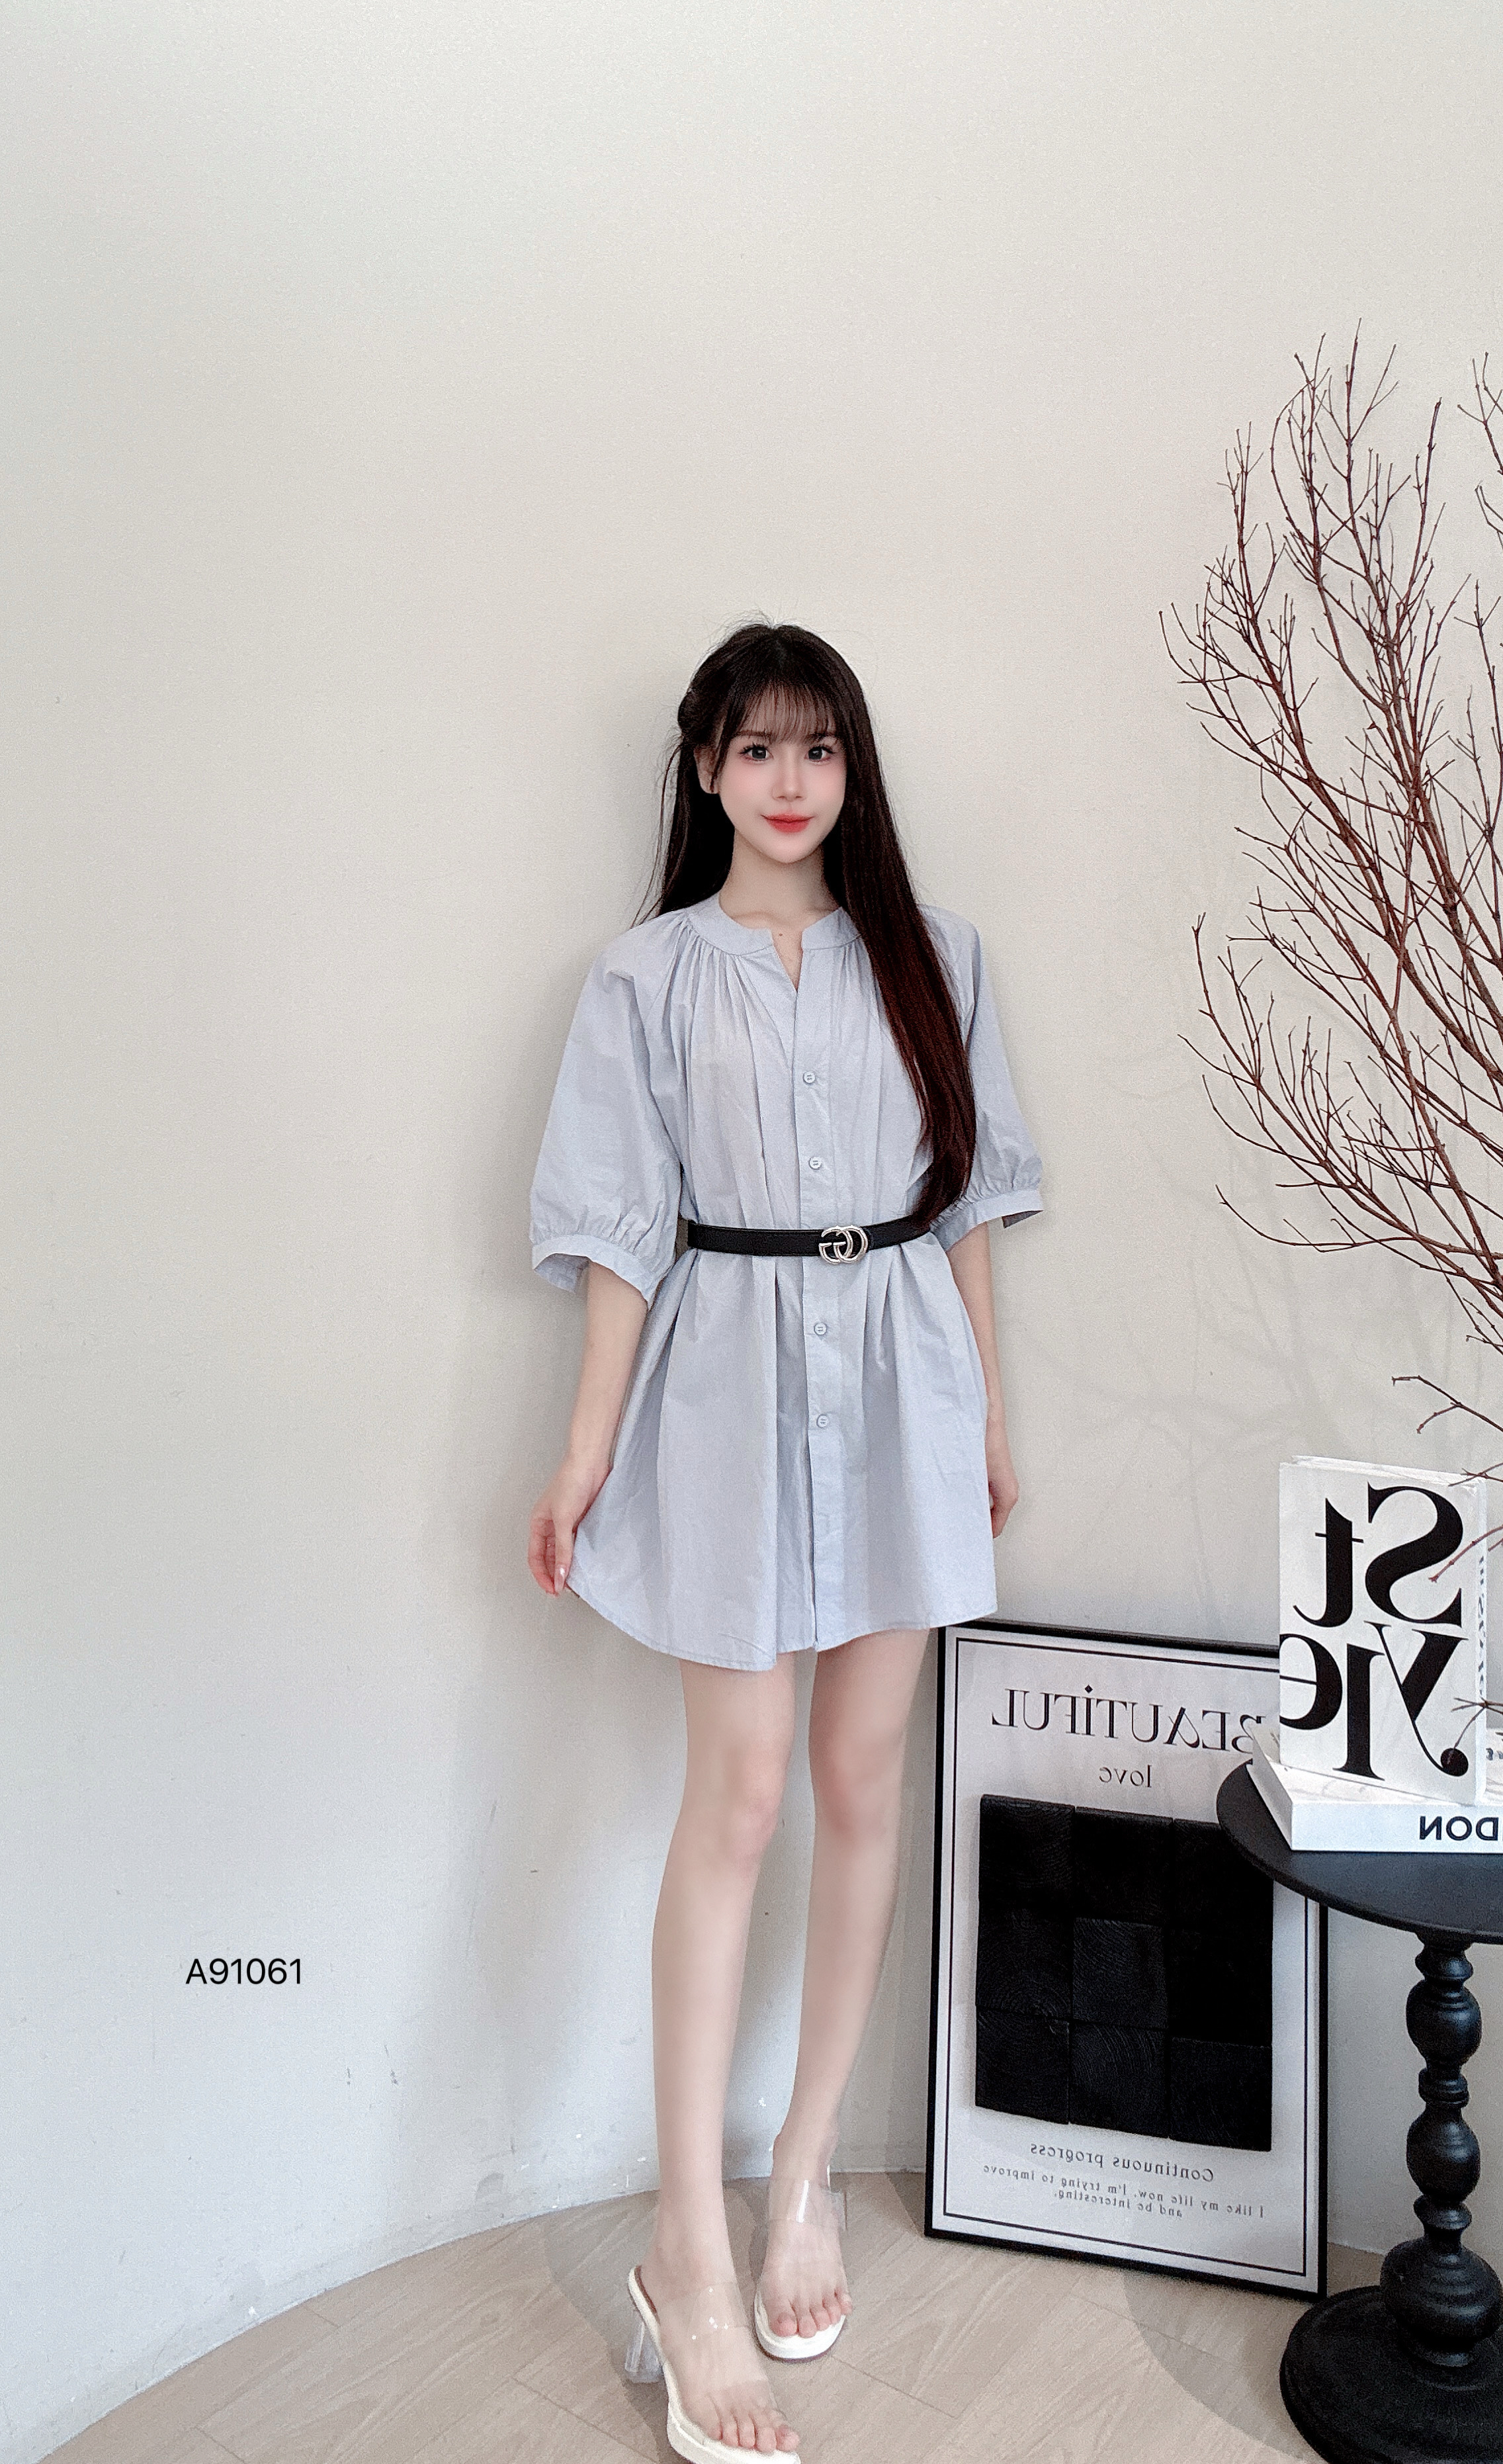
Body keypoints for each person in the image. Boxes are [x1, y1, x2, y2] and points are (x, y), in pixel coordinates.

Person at [527, 621, 1041, 2460]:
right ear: (705, 771)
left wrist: (989, 1418)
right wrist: (583, 1456)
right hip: (727, 1395)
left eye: (819, 746)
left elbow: (968, 1210)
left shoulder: (936, 959)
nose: (791, 779)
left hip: (902, 1385)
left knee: (860, 1782)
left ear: (852, 766)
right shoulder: (645, 978)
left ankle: (804, 2173)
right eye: (756, 747)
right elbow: (619, 1237)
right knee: (736, 1800)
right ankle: (687, 2245)